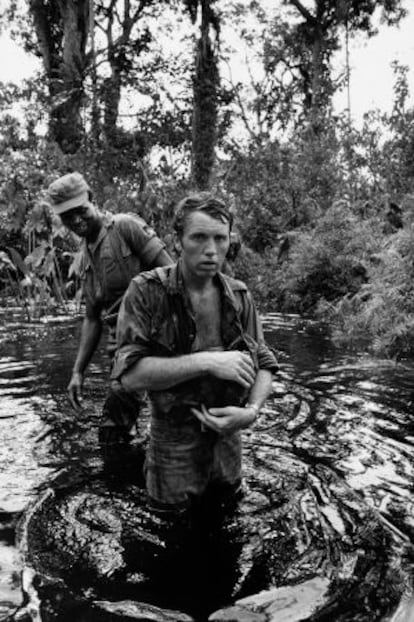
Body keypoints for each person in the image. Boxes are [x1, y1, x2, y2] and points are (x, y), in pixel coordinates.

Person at [111, 192, 278, 511]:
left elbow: (266, 364)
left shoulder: (239, 296)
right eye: (199, 237)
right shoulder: (146, 292)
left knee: (229, 524)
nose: (211, 250)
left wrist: (251, 413)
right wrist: (208, 361)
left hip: (229, 441)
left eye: (220, 238)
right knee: (169, 535)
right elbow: (129, 377)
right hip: (172, 443)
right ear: (177, 242)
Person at [46, 172, 172, 446]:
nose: (76, 221)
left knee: (117, 429)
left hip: (154, 337)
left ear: (91, 199)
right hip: (122, 347)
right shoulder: (83, 260)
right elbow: (92, 319)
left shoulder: (125, 228)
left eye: (80, 211)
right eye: (67, 217)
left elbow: (173, 276)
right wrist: (78, 371)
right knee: (115, 436)